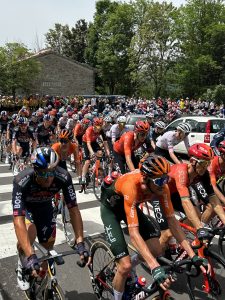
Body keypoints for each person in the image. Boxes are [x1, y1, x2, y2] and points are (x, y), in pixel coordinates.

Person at [100, 156, 208, 300]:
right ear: (145, 179)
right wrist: (154, 266)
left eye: (166, 179)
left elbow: (172, 221)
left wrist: (192, 255)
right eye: (159, 181)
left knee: (157, 249)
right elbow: (133, 234)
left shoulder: (162, 188)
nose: (163, 184)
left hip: (129, 208)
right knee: (125, 266)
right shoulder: (132, 186)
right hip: (111, 211)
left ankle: (129, 267)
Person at [13, 147, 90, 290]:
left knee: (46, 250)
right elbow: (18, 220)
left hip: (45, 208)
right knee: (31, 233)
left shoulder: (63, 177)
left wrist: (80, 242)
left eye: (52, 172)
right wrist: (30, 255)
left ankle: (39, 280)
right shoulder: (21, 180)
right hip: (27, 209)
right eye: (43, 173)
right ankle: (22, 263)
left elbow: (73, 209)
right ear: (35, 170)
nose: (49, 178)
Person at [168, 143, 225, 233]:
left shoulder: (203, 173)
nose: (206, 167)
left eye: (208, 163)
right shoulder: (182, 172)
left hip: (176, 193)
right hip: (163, 194)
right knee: (167, 235)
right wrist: (200, 228)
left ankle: (182, 234)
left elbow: (214, 200)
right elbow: (185, 202)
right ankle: (174, 235)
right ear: (192, 161)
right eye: (203, 163)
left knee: (197, 215)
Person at [81, 117, 110, 185]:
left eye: (100, 126)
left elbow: (105, 143)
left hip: (93, 142)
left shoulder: (101, 130)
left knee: (100, 153)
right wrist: (92, 153)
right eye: (97, 126)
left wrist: (108, 154)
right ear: (94, 125)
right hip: (85, 142)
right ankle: (83, 177)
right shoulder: (89, 130)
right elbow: (88, 144)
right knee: (87, 161)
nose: (99, 128)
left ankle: (95, 169)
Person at [209, 140, 225, 205]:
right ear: (222, 153)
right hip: (206, 184)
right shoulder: (213, 162)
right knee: (214, 205)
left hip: (214, 184)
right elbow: (213, 186)